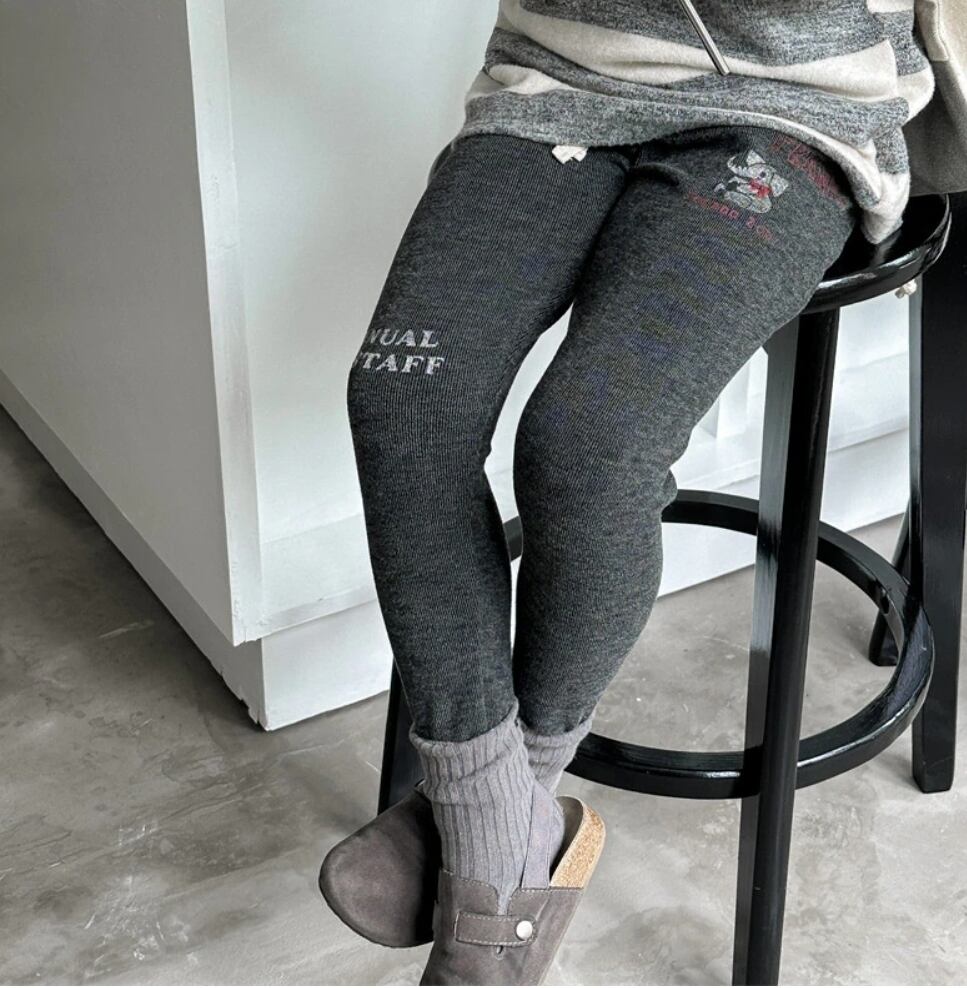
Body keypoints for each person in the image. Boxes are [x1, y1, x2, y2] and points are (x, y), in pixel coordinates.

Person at [321, 2, 946, 984]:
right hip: (554, 76)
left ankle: (490, 835)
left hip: (789, 108)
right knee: (403, 401)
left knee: (590, 445)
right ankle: (501, 833)